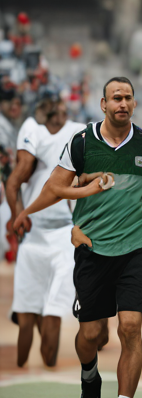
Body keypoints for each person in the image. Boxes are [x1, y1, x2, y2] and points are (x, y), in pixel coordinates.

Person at [14, 76, 142, 398]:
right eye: (115, 98)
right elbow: (54, 188)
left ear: (135, 104)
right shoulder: (82, 143)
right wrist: (26, 212)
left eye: (128, 98)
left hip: (136, 248)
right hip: (92, 249)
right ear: (102, 104)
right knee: (90, 337)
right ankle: (90, 376)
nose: (122, 103)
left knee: (130, 327)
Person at [6, 99, 84, 368]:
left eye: (63, 111)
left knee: (53, 310)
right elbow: (15, 178)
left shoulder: (78, 131)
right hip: (33, 233)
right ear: (44, 115)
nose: (60, 115)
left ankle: (47, 365)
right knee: (26, 317)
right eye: (55, 112)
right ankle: (21, 370)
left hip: (63, 233)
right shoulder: (32, 129)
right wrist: (18, 213)